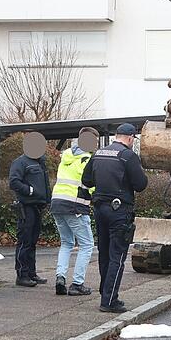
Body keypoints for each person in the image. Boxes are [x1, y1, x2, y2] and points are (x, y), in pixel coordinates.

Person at [82, 123, 148, 313]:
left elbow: (86, 180)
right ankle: (109, 300)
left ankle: (105, 292)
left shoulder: (99, 153)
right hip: (119, 210)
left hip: (100, 208)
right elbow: (140, 184)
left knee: (104, 252)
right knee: (117, 256)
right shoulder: (128, 156)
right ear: (129, 138)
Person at [51, 127, 98, 296]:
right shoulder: (87, 159)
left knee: (67, 243)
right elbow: (89, 184)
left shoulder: (67, 156)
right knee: (86, 245)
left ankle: (60, 277)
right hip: (75, 205)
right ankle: (77, 284)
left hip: (57, 203)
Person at [9, 142, 51, 287]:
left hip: (37, 206)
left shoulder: (40, 162)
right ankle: (22, 275)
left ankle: (31, 273)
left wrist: (46, 200)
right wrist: (30, 191)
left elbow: (45, 184)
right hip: (26, 206)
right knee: (25, 241)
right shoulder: (20, 162)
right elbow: (14, 182)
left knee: (32, 242)